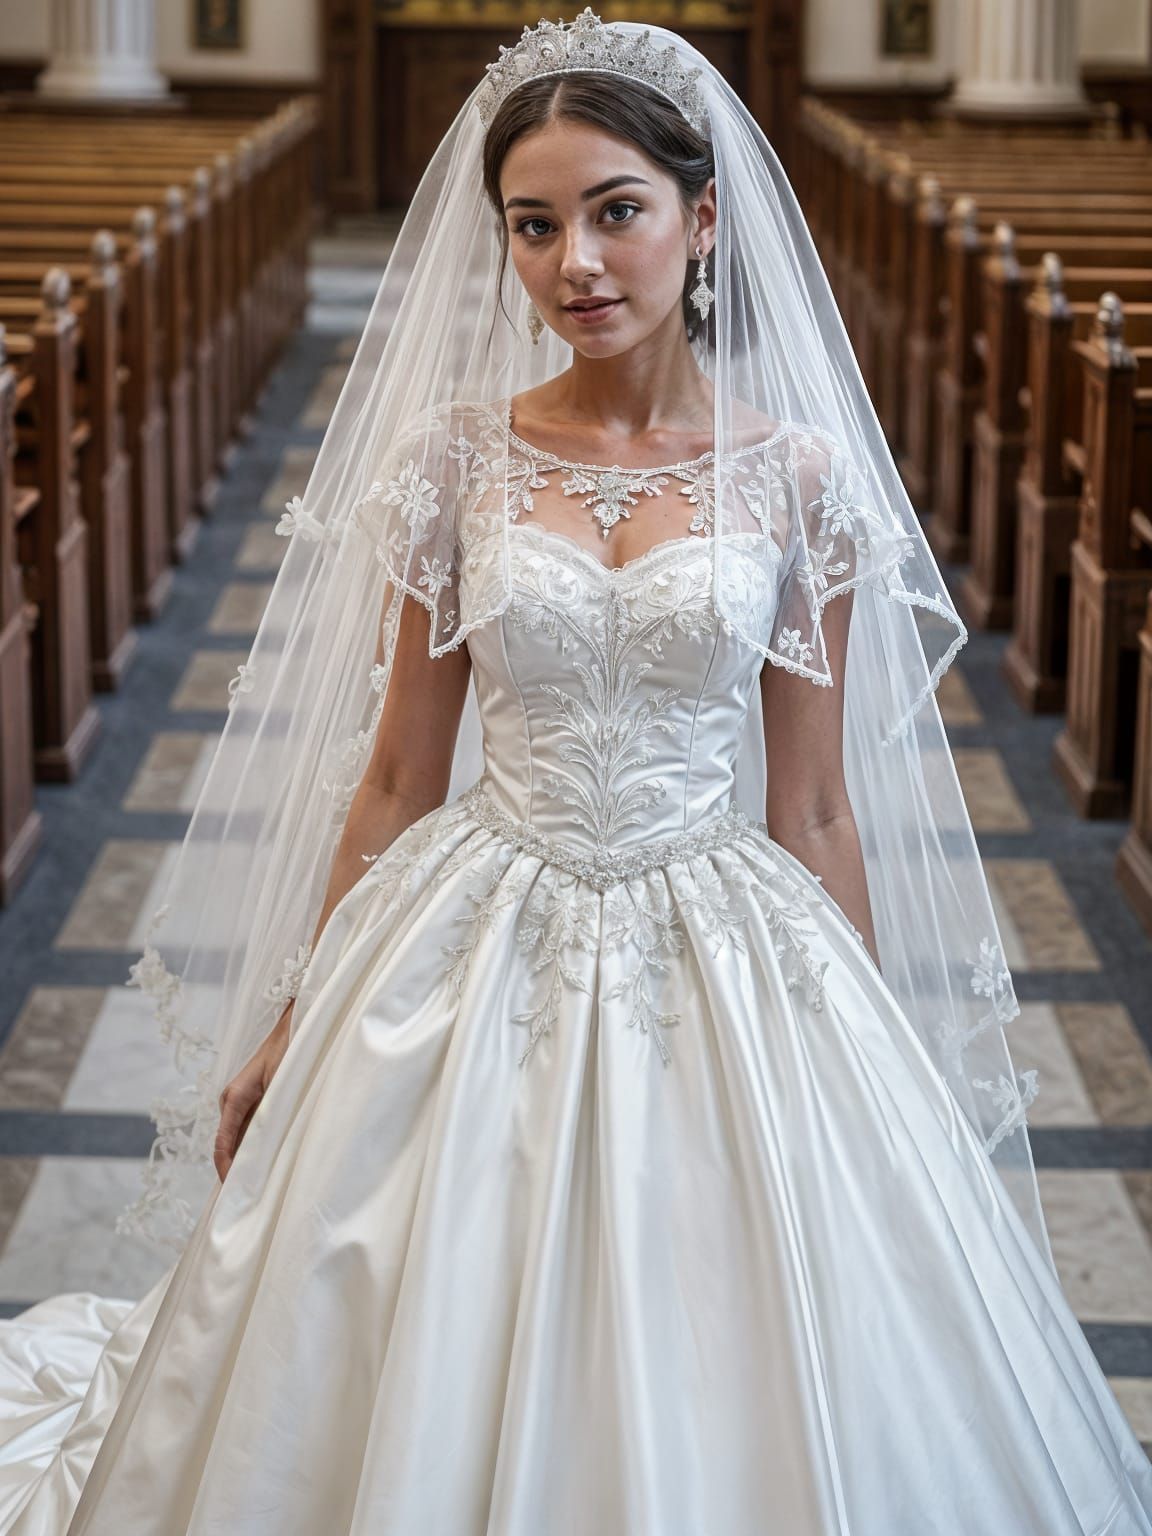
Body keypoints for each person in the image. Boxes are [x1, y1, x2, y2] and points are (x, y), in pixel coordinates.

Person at [0, 11, 1149, 1532]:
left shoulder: (795, 477)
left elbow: (809, 802)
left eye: (617, 212)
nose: (577, 266)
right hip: (471, 931)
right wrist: (293, 1012)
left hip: (722, 936)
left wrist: (875, 1051)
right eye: (535, 227)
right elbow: (401, 776)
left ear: (704, 215)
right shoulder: (455, 460)